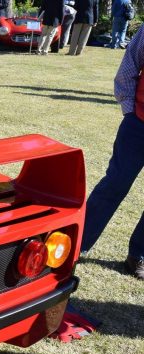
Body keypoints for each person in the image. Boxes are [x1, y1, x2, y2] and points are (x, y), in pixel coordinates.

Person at [81, 27, 144, 280]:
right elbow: (130, 65)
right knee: (114, 185)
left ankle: (138, 256)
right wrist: (129, 110)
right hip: (139, 124)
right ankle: (77, 244)